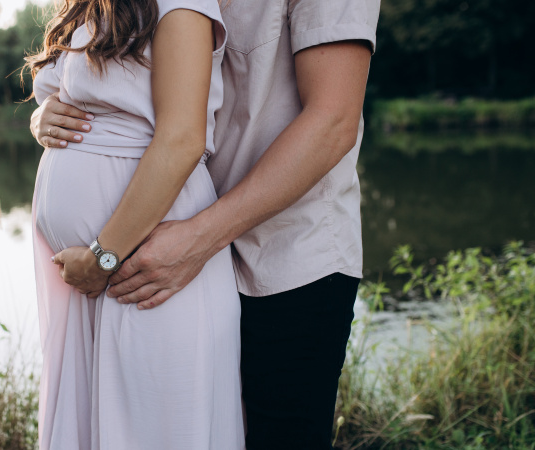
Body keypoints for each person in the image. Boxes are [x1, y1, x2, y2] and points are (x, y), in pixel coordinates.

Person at [31, 1, 381, 448]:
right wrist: (46, 113)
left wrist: (197, 239)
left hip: (286, 255)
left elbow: (332, 122)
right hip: (169, 237)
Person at [27, 0, 244, 449]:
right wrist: (41, 114)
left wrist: (104, 256)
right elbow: (74, 93)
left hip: (144, 262)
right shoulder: (89, 5)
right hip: (87, 279)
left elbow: (182, 139)